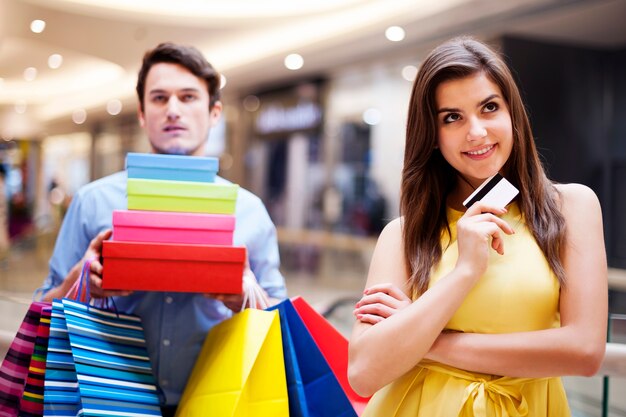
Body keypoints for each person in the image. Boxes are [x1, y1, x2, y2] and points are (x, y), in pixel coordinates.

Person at [348, 36, 607, 416]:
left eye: (489, 108)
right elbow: (364, 373)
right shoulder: (404, 235)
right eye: (452, 117)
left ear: (512, 115)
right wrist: (464, 271)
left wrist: (425, 341)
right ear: (433, 136)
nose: (476, 132)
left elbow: (584, 352)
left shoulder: (570, 207)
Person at [37, 42, 287, 415]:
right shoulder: (92, 201)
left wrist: (245, 297)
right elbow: (42, 312)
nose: (173, 110)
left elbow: (282, 327)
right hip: (107, 398)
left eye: (188, 97)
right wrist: (81, 281)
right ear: (141, 113)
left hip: (213, 400)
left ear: (214, 111)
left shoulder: (250, 211)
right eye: (159, 98)